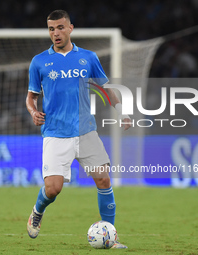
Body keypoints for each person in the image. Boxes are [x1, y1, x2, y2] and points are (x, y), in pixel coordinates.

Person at [26, 9, 131, 249]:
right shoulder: (39, 61)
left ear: (70, 28)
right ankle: (37, 210)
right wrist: (33, 112)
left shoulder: (88, 57)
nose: (56, 33)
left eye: (60, 27)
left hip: (85, 131)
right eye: (51, 29)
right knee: (53, 189)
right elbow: (31, 97)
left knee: (103, 179)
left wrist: (121, 111)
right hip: (55, 133)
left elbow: (106, 89)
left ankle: (110, 238)